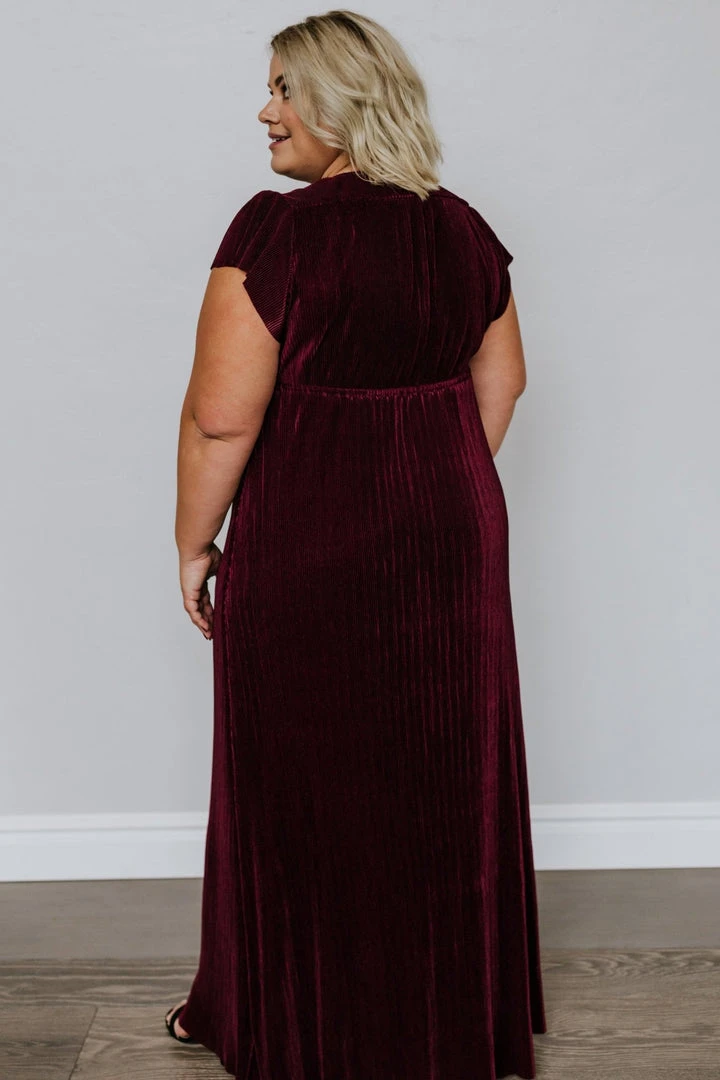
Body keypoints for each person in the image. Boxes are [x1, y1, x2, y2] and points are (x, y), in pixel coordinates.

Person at [168, 10, 547, 1079]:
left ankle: (299, 1026)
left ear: (342, 102)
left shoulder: (276, 233)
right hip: (452, 538)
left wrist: (195, 544)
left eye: (284, 88)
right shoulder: (462, 227)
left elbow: (220, 421)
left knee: (299, 782)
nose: (265, 111)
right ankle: (442, 1027)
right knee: (439, 777)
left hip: (308, 534)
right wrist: (429, 475)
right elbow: (505, 382)